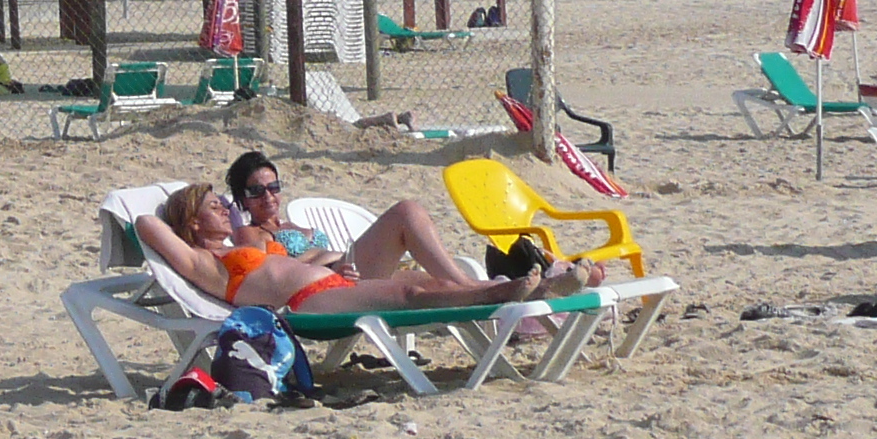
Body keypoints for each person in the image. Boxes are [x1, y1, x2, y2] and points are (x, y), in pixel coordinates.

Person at [141, 181, 594, 316]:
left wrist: (332, 262)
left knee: (407, 212)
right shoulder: (204, 261)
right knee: (407, 297)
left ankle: (521, 291)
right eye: (212, 205)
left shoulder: (245, 241)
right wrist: (180, 201)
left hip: (338, 280)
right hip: (306, 304)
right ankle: (500, 293)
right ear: (190, 223)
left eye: (223, 203)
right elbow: (144, 222)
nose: (225, 207)